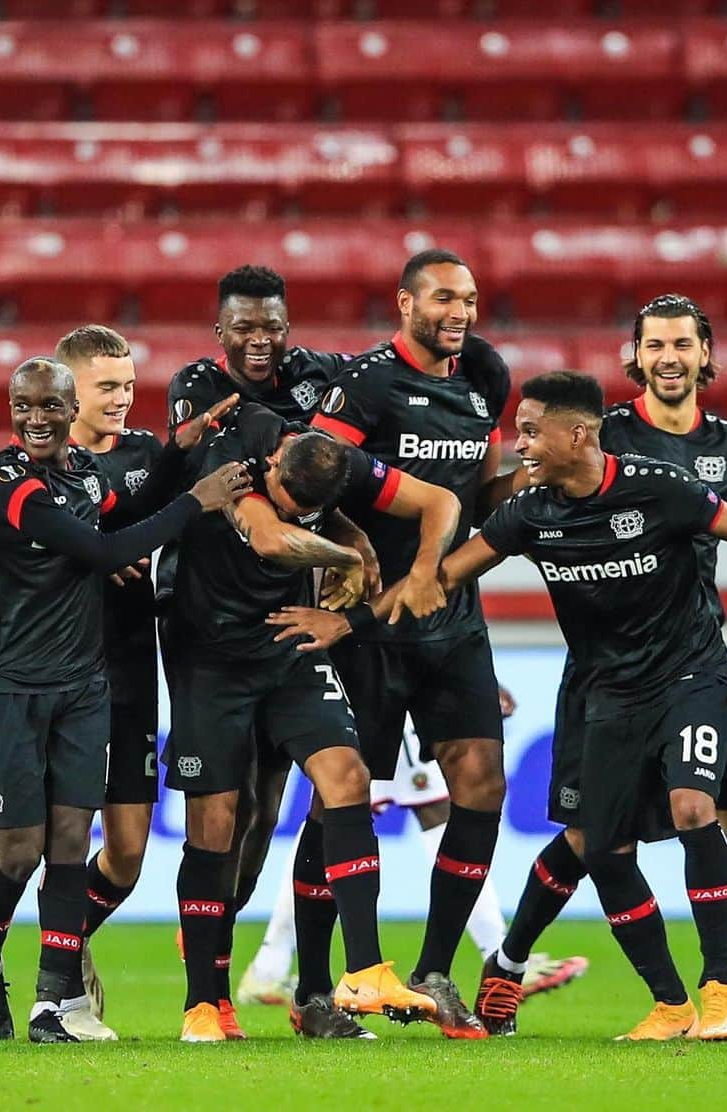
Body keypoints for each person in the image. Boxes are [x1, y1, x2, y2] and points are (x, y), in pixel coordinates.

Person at [270, 371, 727, 1042]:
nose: (519, 444)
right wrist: (352, 621)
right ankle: (670, 1004)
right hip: (605, 694)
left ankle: (720, 992)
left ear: (579, 434)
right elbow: (442, 580)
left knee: (693, 807)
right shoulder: (530, 512)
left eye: (532, 431)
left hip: (689, 678)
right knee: (601, 847)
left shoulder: (658, 486)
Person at [474, 294, 727, 1037]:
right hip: (605, 675)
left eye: (683, 344)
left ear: (705, 354)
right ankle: (508, 966)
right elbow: (507, 515)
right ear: (633, 358)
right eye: (654, 345)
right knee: (587, 840)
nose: (669, 357)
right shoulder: (592, 432)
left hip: (698, 661)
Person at [0, 358, 247, 1044]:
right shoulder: (6, 482)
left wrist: (179, 453)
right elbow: (99, 545)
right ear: (10, 407)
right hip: (8, 687)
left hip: (84, 687)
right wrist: (193, 501)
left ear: (68, 409)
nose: (36, 418)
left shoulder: (84, 474)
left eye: (49, 406)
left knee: (68, 842)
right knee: (19, 851)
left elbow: (129, 512)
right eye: (24, 405)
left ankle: (55, 1005)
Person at [164, 400, 461, 1042]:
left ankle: (364, 971)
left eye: (310, 507)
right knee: (218, 824)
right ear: (273, 463)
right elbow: (271, 537)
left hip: (287, 648)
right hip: (210, 659)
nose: (294, 511)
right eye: (289, 499)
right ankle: (204, 1003)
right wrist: (351, 553)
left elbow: (442, 502)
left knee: (348, 779)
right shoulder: (234, 461)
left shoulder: (341, 462)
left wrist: (419, 568)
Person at [309, 248, 512, 1038]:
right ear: (405, 303)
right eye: (442, 299)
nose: (458, 311)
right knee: (342, 797)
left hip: (452, 619)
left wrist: (521, 489)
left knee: (482, 785)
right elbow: (315, 478)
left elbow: (478, 487)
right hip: (369, 622)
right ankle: (322, 990)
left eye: (468, 298)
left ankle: (434, 970)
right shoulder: (364, 385)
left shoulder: (482, 380)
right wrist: (357, 548)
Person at [54, 324, 238, 1030]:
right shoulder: (43, 464)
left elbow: (178, 520)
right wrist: (97, 553)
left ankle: (64, 951)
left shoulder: (146, 456)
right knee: (54, 840)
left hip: (132, 670)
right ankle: (52, 979)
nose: (123, 399)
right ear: (70, 391)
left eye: (129, 385)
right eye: (107, 387)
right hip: (59, 671)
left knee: (126, 855)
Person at [236, 699, 588, 1012]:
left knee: (342, 811)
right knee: (345, 810)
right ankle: (270, 965)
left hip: (393, 684)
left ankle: (270, 965)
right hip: (372, 680)